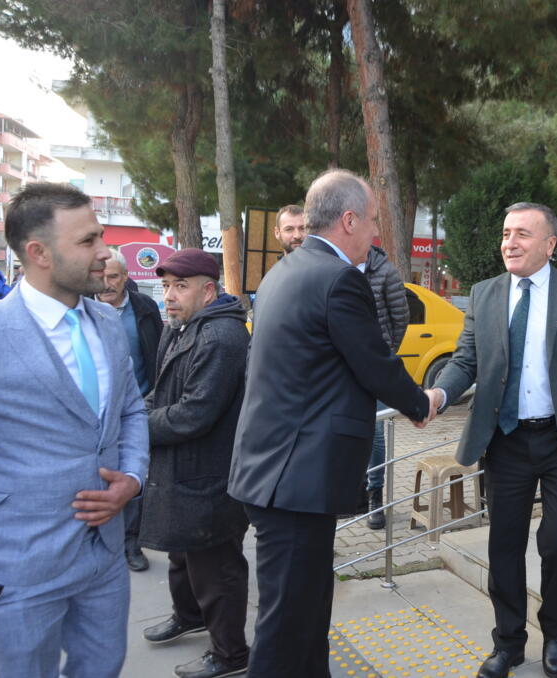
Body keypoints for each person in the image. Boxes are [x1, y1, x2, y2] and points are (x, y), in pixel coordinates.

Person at [228, 169, 433, 678]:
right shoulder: (339, 278)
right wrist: (420, 403)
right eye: (372, 220)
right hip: (296, 478)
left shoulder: (285, 271)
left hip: (279, 471)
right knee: (285, 625)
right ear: (348, 220)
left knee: (308, 610)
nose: (376, 232)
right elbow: (374, 361)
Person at [427, 202, 557, 678]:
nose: (510, 242)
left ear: (550, 244)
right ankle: (508, 642)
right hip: (506, 441)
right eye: (506, 233)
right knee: (504, 546)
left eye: (522, 234)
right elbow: (466, 360)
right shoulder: (484, 293)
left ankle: (555, 631)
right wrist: (439, 394)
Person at [0, 182, 149, 678]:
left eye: (100, 236)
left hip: (104, 557)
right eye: (87, 241)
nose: (104, 252)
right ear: (39, 253)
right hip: (21, 564)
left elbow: (131, 410)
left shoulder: (106, 321)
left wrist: (132, 477)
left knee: (102, 667)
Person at [137, 249, 251, 678]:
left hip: (211, 476)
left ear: (208, 291)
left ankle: (231, 654)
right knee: (183, 555)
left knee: (216, 569)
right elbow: (162, 393)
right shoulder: (182, 327)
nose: (168, 295)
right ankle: (189, 616)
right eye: (166, 286)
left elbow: (195, 414)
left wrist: (135, 425)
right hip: (183, 470)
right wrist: (138, 412)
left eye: (180, 287)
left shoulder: (221, 337)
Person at [97, 249, 162, 572]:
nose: (107, 284)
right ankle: (100, 541)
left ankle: (131, 542)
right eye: (102, 276)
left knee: (133, 475)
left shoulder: (144, 308)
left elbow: (158, 353)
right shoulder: (82, 308)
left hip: (137, 407)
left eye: (113, 277)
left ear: (125, 277)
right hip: (96, 413)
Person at [364, 243, 410, 529]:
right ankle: (353, 490)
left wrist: (387, 352)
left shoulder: (385, 270)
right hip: (342, 366)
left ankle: (375, 495)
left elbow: (400, 317)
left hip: (377, 365)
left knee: (377, 431)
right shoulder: (335, 264)